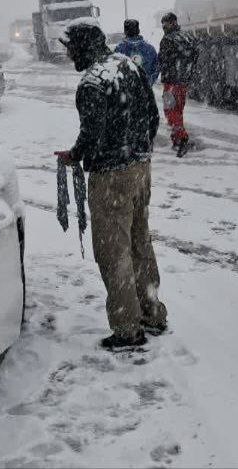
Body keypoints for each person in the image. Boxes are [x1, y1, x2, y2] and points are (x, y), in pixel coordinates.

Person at [54, 19, 166, 350]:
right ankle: (152, 312)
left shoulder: (92, 83)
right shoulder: (127, 65)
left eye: (71, 47)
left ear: (83, 46)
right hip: (140, 168)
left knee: (112, 251)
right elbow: (152, 116)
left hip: (111, 176)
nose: (70, 53)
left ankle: (127, 329)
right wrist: (139, 151)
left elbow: (93, 133)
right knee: (139, 243)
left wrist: (75, 155)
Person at [158, 12, 198, 157]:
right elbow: (195, 56)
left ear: (173, 23)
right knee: (178, 110)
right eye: (163, 23)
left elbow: (162, 60)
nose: (163, 26)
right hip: (183, 81)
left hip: (172, 81)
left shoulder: (168, 39)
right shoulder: (187, 37)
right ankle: (177, 139)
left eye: (166, 23)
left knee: (170, 111)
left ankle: (181, 139)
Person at [114, 19, 159, 87]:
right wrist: (148, 83)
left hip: (126, 92)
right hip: (146, 92)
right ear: (138, 30)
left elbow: (115, 71)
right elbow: (156, 69)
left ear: (125, 31)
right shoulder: (150, 49)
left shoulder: (119, 49)